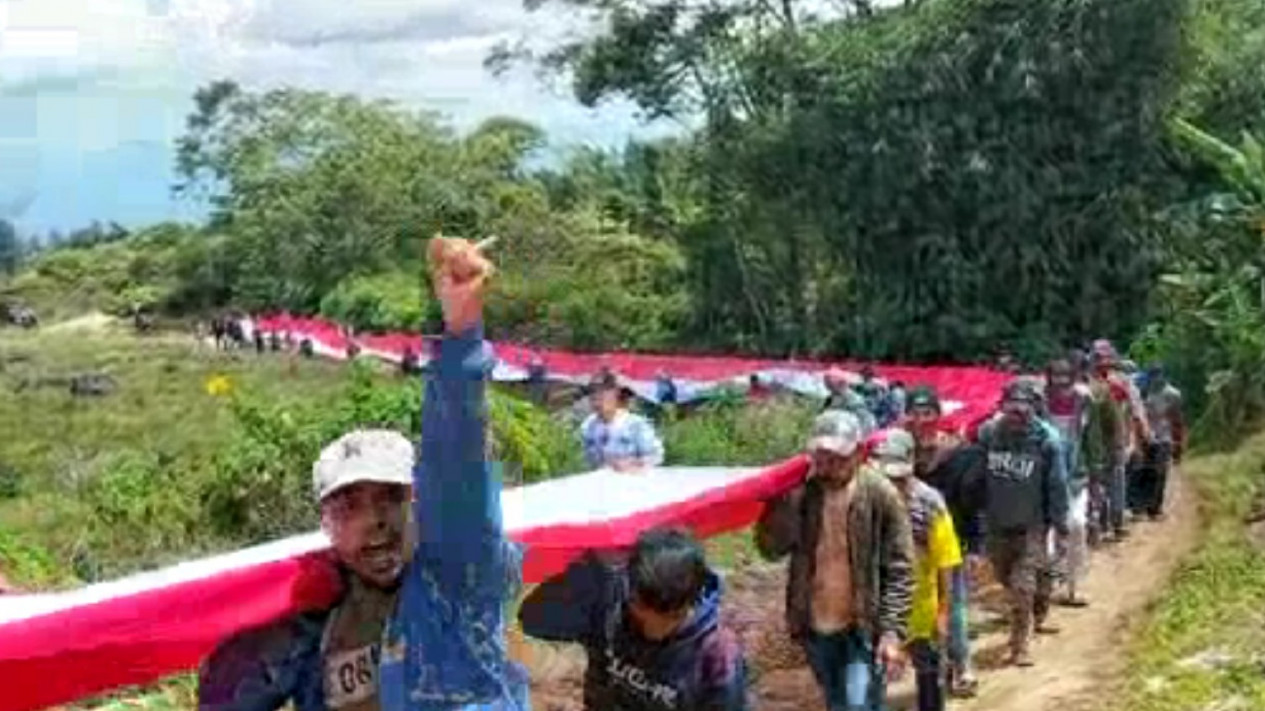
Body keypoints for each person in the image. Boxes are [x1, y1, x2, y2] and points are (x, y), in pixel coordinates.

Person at [198, 236, 529, 711]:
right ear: (326, 525)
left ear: (418, 504)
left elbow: (458, 466)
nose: (375, 520)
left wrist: (461, 334)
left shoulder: (460, 575)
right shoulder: (313, 627)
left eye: (390, 498)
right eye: (349, 506)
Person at [755, 409, 914, 711]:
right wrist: (776, 506)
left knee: (858, 704)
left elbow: (900, 568)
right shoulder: (801, 493)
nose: (829, 466)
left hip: (863, 624)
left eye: (838, 457)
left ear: (858, 453)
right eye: (822, 457)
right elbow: (771, 549)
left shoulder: (880, 495)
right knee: (837, 701)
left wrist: (892, 631)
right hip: (815, 623)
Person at [518, 527, 747, 710]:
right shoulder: (611, 601)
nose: (651, 630)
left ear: (686, 606)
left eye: (668, 619)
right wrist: (593, 566)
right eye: (639, 610)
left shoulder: (717, 656)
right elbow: (534, 620)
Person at [975, 379, 1070, 667]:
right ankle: (1042, 593)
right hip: (997, 523)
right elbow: (975, 473)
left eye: (1023, 409)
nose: (1017, 414)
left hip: (1032, 525)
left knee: (1021, 586)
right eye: (1011, 408)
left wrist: (1060, 523)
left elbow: (1057, 484)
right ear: (1002, 407)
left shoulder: (1046, 441)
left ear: (1033, 409)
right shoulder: (989, 434)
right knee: (1005, 577)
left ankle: (1020, 645)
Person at [873, 428, 960, 711]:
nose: (895, 483)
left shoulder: (929, 501)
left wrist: (944, 611)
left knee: (929, 675)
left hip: (923, 606)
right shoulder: (871, 497)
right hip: (882, 607)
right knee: (876, 680)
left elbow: (945, 561)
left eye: (899, 478)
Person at [904, 386, 981, 698]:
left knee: (954, 605)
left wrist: (975, 545)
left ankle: (962, 666)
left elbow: (970, 501)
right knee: (917, 611)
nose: (921, 419)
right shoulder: (900, 454)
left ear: (938, 415)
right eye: (915, 413)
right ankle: (930, 669)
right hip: (910, 549)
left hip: (951, 542)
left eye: (928, 413)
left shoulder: (958, 454)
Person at [1044, 358, 1092, 608]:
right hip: (1045, 481)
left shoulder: (1085, 402)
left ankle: (1074, 587)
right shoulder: (1039, 405)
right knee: (1046, 540)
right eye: (1056, 375)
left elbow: (1093, 441)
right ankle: (1046, 589)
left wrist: (1099, 474)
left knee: (1077, 526)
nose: (1061, 380)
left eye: (1065, 375)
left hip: (1076, 478)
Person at [580, 371, 665, 472]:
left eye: (602, 394)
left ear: (616, 394)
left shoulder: (635, 424)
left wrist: (632, 464)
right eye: (593, 394)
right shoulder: (588, 426)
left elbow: (656, 457)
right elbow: (584, 459)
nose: (596, 399)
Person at [1134, 364, 1185, 520]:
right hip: (1147, 437)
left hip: (1164, 438)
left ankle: (1154, 508)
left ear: (1163, 375)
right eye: (1153, 375)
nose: (1155, 378)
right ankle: (1142, 505)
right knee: (1146, 471)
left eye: (1157, 375)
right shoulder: (1143, 392)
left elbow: (1177, 419)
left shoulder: (1173, 394)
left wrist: (1179, 442)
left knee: (1160, 472)